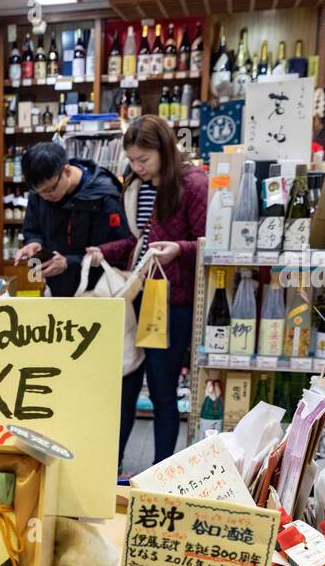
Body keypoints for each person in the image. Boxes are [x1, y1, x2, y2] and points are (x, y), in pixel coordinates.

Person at [88, 115, 208, 469]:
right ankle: (112, 469)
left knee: (162, 390)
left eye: (144, 160)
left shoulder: (193, 185)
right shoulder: (137, 185)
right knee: (124, 386)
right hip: (136, 292)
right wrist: (104, 252)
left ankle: (162, 472)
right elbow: (140, 240)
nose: (137, 167)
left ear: (165, 151)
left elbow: (207, 244)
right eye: (133, 160)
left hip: (172, 303)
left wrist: (179, 250)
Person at [13, 141, 126, 297]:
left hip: (97, 292)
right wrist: (33, 242)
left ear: (66, 171)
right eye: (39, 193)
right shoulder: (41, 191)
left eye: (50, 190)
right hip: (56, 288)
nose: (46, 197)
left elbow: (114, 250)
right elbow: (32, 228)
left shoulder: (104, 196)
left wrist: (69, 262)